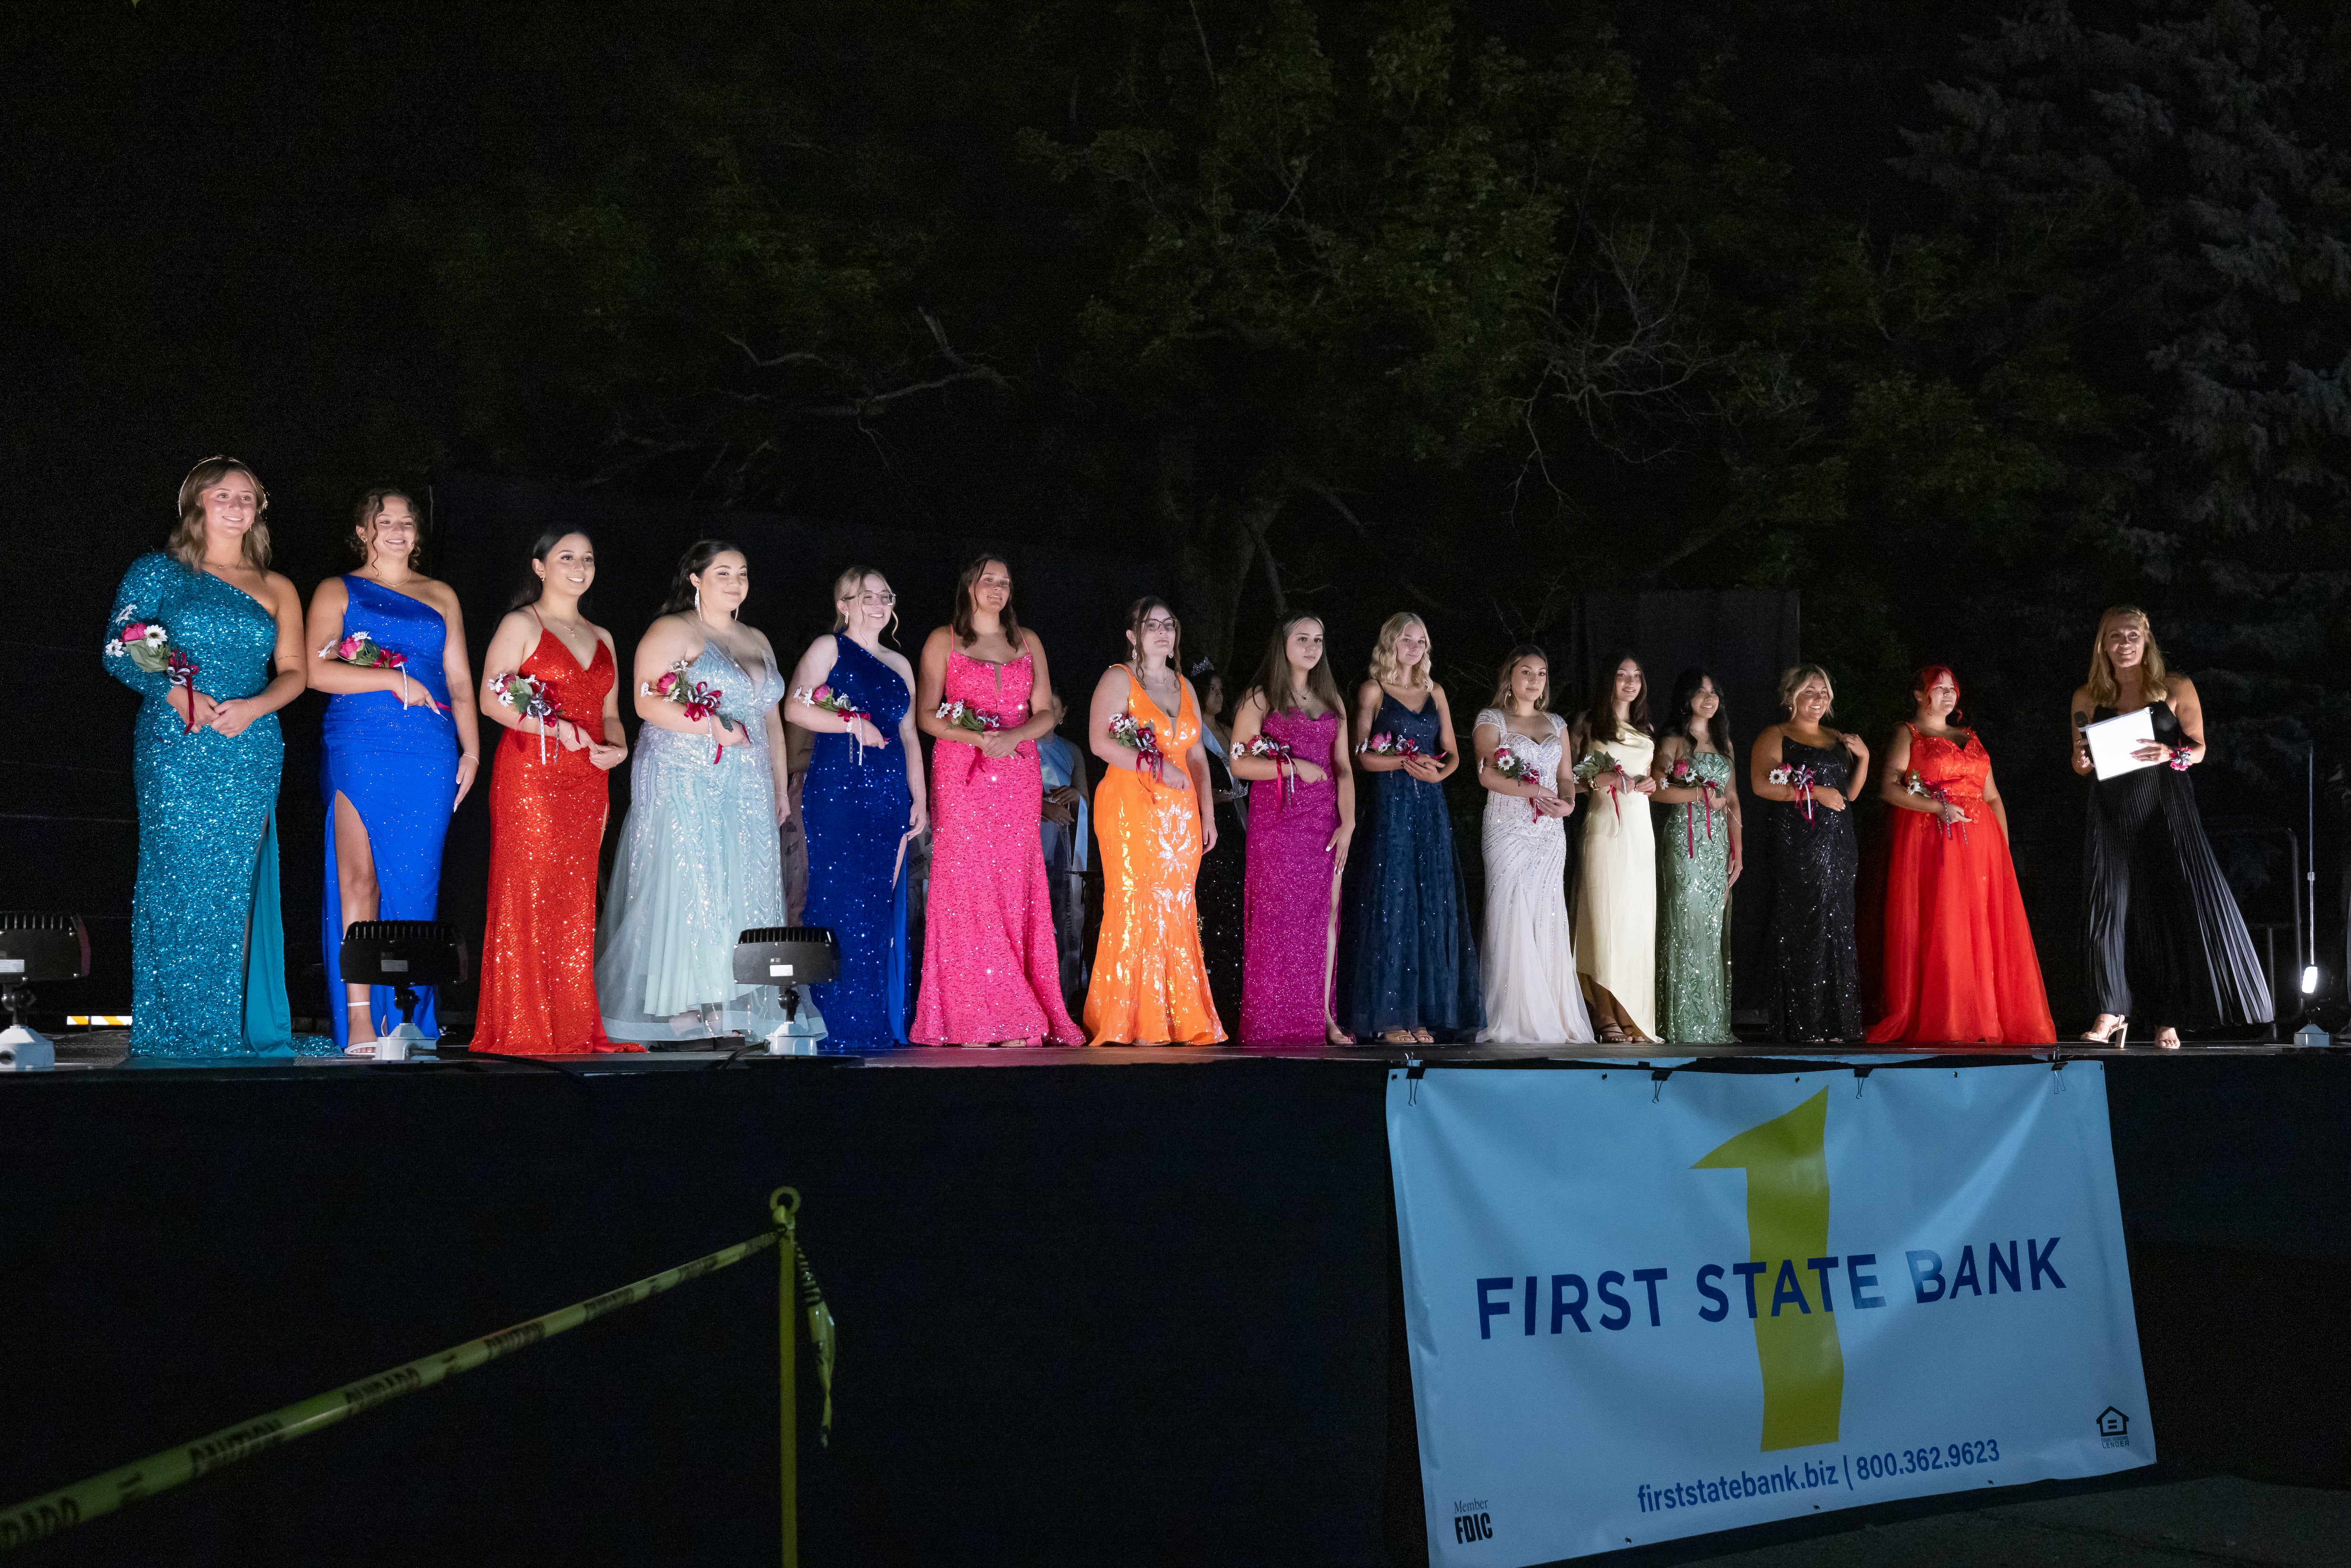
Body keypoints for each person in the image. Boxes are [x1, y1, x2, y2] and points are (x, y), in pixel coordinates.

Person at [104, 457, 319, 1057]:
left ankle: (226, 1028)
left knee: (234, 887)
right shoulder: (159, 570)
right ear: (196, 503)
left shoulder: (277, 587)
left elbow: (297, 673)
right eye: (223, 495)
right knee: (176, 878)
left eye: (247, 498)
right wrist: (180, 696)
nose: (236, 506)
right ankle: (174, 1024)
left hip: (250, 745)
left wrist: (253, 708)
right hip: (177, 741)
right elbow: (124, 641)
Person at [304, 487, 479, 1052]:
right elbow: (314, 670)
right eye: (384, 521)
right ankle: (359, 1019)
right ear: (362, 530)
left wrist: (471, 752)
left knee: (415, 884)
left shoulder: (441, 594)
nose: (397, 530)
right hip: (359, 739)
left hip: (430, 749)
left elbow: (458, 681)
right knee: (359, 879)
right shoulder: (338, 588)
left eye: (406, 521)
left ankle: (405, 1016)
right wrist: (390, 679)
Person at [596, 541, 790, 1044]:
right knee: (692, 881)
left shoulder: (757, 637)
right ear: (696, 579)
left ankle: (730, 997)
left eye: (742, 573)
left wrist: (778, 782)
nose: (735, 581)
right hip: (685, 772)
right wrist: (709, 726)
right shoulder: (673, 628)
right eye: (722, 572)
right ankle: (681, 1003)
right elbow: (644, 699)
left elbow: (769, 716)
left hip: (746, 780)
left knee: (741, 881)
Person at [2070, 607, 2272, 1047]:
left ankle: (2167, 1017)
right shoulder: (2087, 696)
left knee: (2164, 911)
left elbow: (2197, 749)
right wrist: (2080, 761)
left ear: (2146, 642)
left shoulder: (2175, 687)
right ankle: (2109, 1012)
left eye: (2133, 636)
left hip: (2163, 806)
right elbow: (2079, 760)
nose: (2124, 644)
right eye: (2115, 637)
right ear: (2102, 645)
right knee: (2107, 910)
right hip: (2110, 810)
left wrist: (2170, 753)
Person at [473, 529, 636, 1055]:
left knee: (574, 897)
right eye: (566, 557)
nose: (579, 566)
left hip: (588, 777)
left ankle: (568, 1025)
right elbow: (491, 697)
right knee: (530, 890)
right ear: (541, 566)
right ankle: (522, 1022)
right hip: (532, 772)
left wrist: (617, 748)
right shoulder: (522, 623)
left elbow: (611, 714)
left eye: (587, 558)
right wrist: (551, 727)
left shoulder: (604, 635)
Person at [912, 554, 1085, 1046]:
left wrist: (1012, 739)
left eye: (1005, 582)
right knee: (966, 886)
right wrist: (973, 736)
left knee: (1013, 886)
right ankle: (974, 1015)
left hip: (1015, 773)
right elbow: (926, 714)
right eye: (988, 580)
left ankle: (1013, 1011)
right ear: (969, 585)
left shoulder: (1026, 641)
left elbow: (1046, 711)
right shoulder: (943, 640)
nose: (997, 588)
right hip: (962, 773)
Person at [1869, 665, 2054, 1045]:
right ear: (1920, 695)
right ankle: (1953, 1018)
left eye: (1952, 687)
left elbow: (1992, 796)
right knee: (1947, 925)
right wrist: (1936, 808)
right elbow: (1888, 787)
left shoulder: (1970, 736)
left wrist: (2002, 850)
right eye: (1938, 687)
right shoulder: (1910, 734)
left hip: (1982, 846)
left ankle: (1987, 1016)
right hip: (1936, 839)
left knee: (1983, 929)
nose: (1948, 693)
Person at [786, 565, 926, 1049]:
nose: (878, 604)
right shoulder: (830, 648)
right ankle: (830, 1022)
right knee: (837, 897)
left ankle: (871, 1022)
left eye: (885, 595)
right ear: (844, 603)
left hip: (888, 790)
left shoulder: (900, 663)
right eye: (867, 596)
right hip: (839, 788)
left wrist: (919, 797)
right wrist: (849, 724)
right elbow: (795, 706)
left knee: (877, 905)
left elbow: (909, 735)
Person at [1081, 598, 1225, 1045]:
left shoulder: (1185, 685)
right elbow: (1101, 743)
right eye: (1151, 626)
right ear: (1133, 636)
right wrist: (1154, 766)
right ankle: (1132, 1021)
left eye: (1169, 625)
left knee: (1177, 907)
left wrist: (1208, 810)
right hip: (1131, 805)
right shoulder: (1118, 678)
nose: (1163, 633)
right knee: (1136, 903)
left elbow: (1198, 753)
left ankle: (1176, 1017)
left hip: (1180, 814)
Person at [1342, 613, 1481, 1043]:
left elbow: (1454, 754)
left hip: (1429, 806)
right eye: (1407, 639)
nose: (1415, 647)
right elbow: (1362, 755)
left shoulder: (1434, 691)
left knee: (1428, 904)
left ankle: (1420, 1014)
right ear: (1391, 642)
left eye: (1421, 641)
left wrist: (1438, 775)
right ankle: (1389, 1018)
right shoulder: (1373, 690)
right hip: (1390, 804)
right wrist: (1403, 762)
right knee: (1393, 901)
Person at [1229, 615, 1355, 1045]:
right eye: (1302, 638)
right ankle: (1272, 1020)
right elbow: (1239, 762)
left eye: (1318, 639)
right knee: (1278, 918)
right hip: (1279, 822)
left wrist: (1350, 822)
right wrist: (1291, 765)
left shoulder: (1331, 698)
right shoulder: (1260, 698)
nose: (1312, 646)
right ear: (1283, 645)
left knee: (1326, 916)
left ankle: (1323, 1015)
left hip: (1324, 822)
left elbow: (1343, 767)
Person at [1471, 645, 1592, 1044]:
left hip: (1549, 832)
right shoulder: (1491, 720)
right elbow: (1488, 774)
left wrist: (1568, 803)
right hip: (1508, 825)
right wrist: (1533, 789)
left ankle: (1552, 1012)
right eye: (1526, 672)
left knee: (1548, 910)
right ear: (1510, 676)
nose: (1534, 680)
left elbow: (1567, 777)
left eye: (1541, 673)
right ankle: (1511, 1013)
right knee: (1512, 908)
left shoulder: (1556, 722)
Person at [1751, 664, 1869, 1043]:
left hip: (1839, 843)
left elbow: (1848, 794)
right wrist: (1815, 791)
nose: (1817, 699)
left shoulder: (1837, 738)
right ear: (1791, 698)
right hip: (1800, 841)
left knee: (1839, 926)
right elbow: (1761, 784)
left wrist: (1864, 759)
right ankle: (1805, 1024)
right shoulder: (1777, 735)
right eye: (1809, 692)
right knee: (1806, 925)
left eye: (1823, 693)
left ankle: (1838, 1025)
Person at [1572, 654, 1660, 1043]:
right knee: (1602, 920)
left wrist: (1653, 783)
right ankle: (1603, 1012)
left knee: (1634, 926)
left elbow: (1651, 775)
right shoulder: (1588, 724)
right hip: (1604, 828)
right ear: (1609, 680)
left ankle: (1631, 1013)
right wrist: (1598, 779)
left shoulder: (1647, 728)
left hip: (1640, 832)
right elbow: (1568, 780)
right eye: (1622, 675)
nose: (1630, 682)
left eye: (1636, 676)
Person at [1650, 669, 1742, 1044]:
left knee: (1710, 925)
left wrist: (1739, 848)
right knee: (1685, 921)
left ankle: (1711, 1023)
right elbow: (1656, 790)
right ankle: (1680, 1023)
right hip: (1685, 843)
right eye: (1701, 691)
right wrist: (1699, 796)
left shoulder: (1725, 744)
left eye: (1714, 691)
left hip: (1717, 842)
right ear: (1686, 697)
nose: (1709, 697)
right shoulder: (1673, 740)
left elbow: (1733, 798)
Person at [1191, 657, 1248, 1030]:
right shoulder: (1194, 735)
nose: (1219, 695)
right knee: (1215, 903)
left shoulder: (1229, 730)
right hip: (1211, 823)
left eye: (1221, 690)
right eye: (1211, 689)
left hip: (1239, 821)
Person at [1036, 690, 1093, 1016]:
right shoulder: (1023, 745)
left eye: (1053, 707)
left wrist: (1075, 797)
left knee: (1062, 912)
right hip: (1031, 841)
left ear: (1062, 714)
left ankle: (1063, 990)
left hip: (1061, 844)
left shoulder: (1071, 750)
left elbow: (1085, 798)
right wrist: (1043, 807)